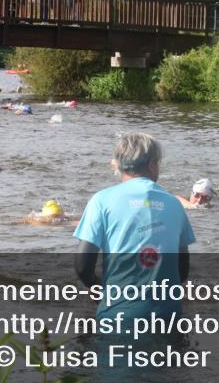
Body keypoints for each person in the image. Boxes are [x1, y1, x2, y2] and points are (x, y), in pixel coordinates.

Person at [74, 133, 195, 322]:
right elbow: (182, 269)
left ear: (119, 165)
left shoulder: (101, 200)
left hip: (118, 316)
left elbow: (82, 264)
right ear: (152, 164)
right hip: (168, 316)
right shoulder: (174, 204)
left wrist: (97, 288)